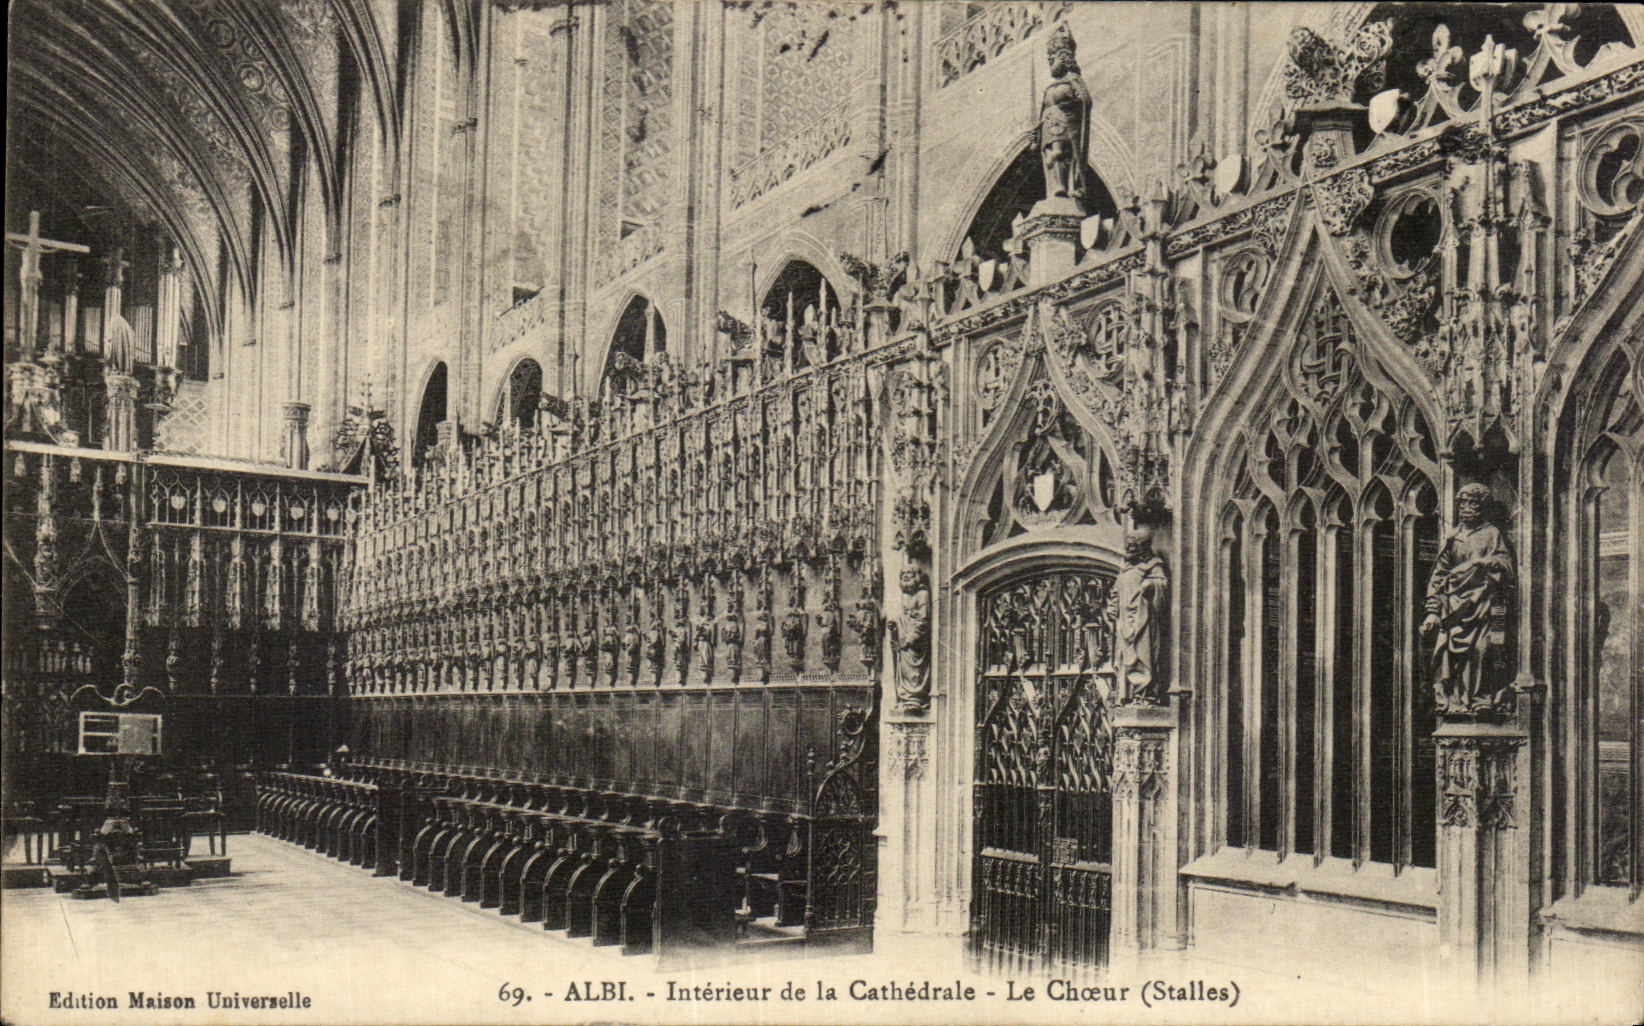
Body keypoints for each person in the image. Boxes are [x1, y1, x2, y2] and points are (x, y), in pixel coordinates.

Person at [1422, 483, 1515, 715]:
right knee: (1452, 655)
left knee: (1482, 650)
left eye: (1473, 503)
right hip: (1454, 606)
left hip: (1481, 603)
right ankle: (1456, 701)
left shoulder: (1492, 533)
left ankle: (1481, 699)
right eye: (1463, 503)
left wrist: (1484, 562)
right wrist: (1432, 611)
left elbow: (1505, 564)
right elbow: (1439, 575)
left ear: (1483, 507)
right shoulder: (1453, 536)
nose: (1466, 508)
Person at [1039, 24, 1093, 208]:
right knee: (1053, 156)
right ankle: (1058, 186)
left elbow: (1085, 101)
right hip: (1049, 124)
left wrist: (1070, 105)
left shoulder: (1073, 79)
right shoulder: (1051, 86)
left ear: (1063, 58)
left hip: (1066, 122)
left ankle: (1068, 186)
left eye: (1052, 59)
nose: (1050, 63)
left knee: (1060, 153)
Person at [1113, 527, 1169, 704]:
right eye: (1128, 544)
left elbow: (1162, 584)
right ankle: (1129, 694)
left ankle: (1145, 694)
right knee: (1127, 655)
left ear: (1143, 547)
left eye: (1134, 545)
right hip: (1125, 619)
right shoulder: (1125, 567)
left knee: (1143, 653)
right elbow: (1116, 590)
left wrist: (1150, 584)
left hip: (1143, 617)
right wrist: (1113, 606)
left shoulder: (1154, 565)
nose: (1129, 548)